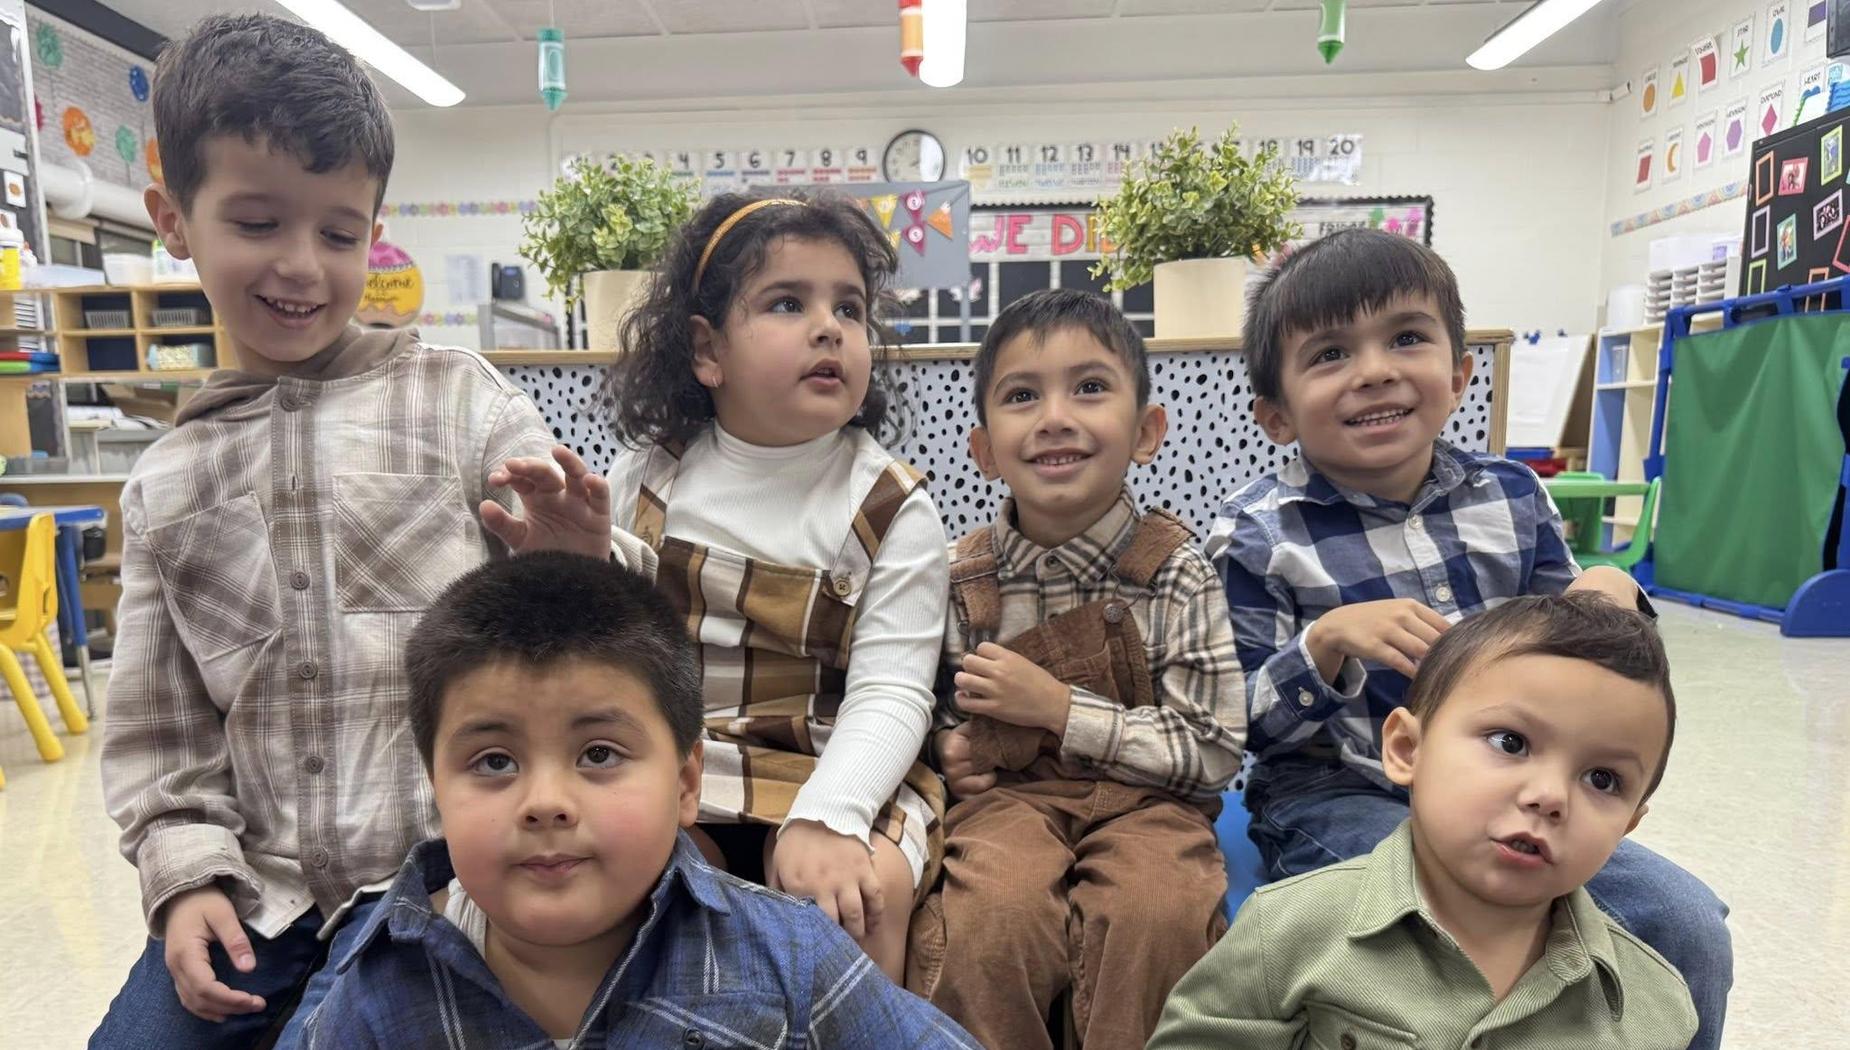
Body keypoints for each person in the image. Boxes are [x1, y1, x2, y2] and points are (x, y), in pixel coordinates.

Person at [92, 14, 605, 1048]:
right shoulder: (165, 480)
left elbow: (592, 646)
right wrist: (184, 878)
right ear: (173, 218)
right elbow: (160, 733)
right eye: (255, 222)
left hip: (445, 883)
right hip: (258, 895)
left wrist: (577, 562)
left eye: (338, 232)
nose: (301, 266)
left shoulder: (459, 404)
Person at [1205, 227, 1731, 1048]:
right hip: (1338, 790)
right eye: (1331, 353)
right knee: (1435, 931)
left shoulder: (1512, 497)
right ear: (1276, 414)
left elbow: (1586, 657)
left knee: (1683, 920)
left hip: (1513, 784)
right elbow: (1235, 726)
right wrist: (1327, 645)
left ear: (1457, 374)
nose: (1375, 369)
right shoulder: (1254, 535)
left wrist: (1614, 592)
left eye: (1406, 338)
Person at [511, 191, 951, 981]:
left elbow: (892, 694)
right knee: (644, 891)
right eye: (789, 302)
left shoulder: (891, 505)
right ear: (706, 351)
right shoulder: (652, 475)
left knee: (858, 901)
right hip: (679, 756)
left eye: (848, 308)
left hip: (834, 759)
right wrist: (580, 561)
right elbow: (617, 647)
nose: (830, 327)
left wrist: (831, 815)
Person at [303, 553, 979, 1048]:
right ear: (435, 790)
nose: (545, 803)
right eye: (494, 761)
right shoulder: (377, 984)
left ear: (687, 783)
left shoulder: (789, 960)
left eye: (598, 754)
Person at [906, 289, 1246, 1050]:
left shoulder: (1177, 573)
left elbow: (1215, 749)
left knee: (1158, 914)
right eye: (1022, 395)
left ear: (1147, 430)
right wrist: (945, 750)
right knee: (989, 919)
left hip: (1152, 806)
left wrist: (1062, 710)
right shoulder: (957, 576)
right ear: (985, 450)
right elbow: (916, 705)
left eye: (1090, 388)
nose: (1055, 416)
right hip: (1008, 806)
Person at [1150, 594, 1698, 1049]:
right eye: (1511, 742)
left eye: (1603, 780)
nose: (1550, 796)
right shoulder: (1289, 933)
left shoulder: (1654, 1009)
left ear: (1628, 824)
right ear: (1408, 749)